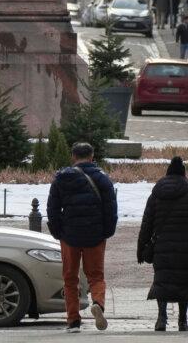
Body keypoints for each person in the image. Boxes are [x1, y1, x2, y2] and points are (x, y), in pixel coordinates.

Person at [46, 142, 118, 333]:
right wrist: (107, 231)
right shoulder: (102, 178)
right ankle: (98, 304)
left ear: (73, 157)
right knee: (96, 276)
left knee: (70, 278)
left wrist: (57, 232)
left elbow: (52, 209)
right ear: (92, 157)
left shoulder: (61, 179)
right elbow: (110, 209)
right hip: (95, 235)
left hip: (69, 236)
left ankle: (73, 321)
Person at [138, 156, 188, 332]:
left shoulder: (155, 197)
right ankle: (183, 321)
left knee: (162, 281)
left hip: (161, 247)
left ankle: (161, 319)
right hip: (185, 247)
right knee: (185, 282)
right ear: (184, 175)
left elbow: (146, 224)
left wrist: (141, 248)